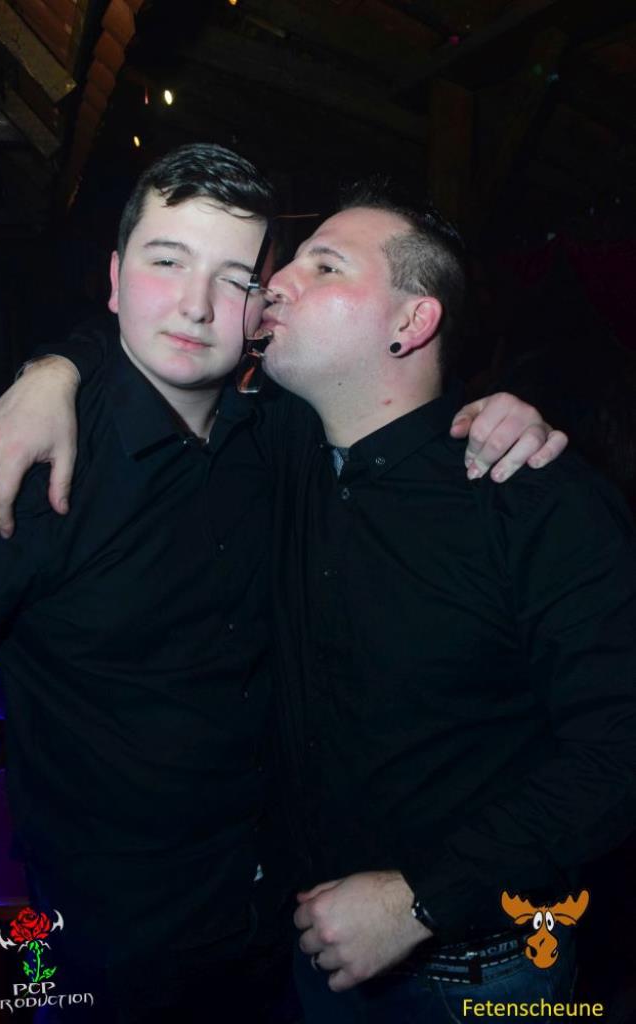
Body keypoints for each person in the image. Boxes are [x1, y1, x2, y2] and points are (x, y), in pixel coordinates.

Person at [0, 146, 566, 1023]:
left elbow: (393, 410)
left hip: (283, 933)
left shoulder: (283, 439)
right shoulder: (33, 472)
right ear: (115, 281)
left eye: (236, 278)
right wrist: (49, 371)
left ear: (260, 308)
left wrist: (500, 411)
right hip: (112, 949)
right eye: (167, 262)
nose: (196, 305)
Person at [256, 184, 636, 1022]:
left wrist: (419, 899)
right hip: (312, 953)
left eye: (324, 265)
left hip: (481, 976)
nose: (277, 279)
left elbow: (617, 749)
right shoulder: (281, 459)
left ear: (411, 322)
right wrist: (47, 379)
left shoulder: (531, 499)